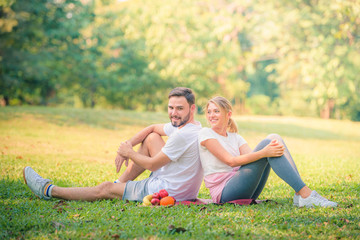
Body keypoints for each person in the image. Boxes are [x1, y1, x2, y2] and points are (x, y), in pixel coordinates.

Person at [23, 87, 203, 202]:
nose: (174, 113)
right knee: (151, 138)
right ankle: (120, 183)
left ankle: (48, 190)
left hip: (169, 190)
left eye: (180, 108)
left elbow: (152, 165)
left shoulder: (183, 135)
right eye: (171, 108)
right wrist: (127, 146)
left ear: (192, 109)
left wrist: (129, 152)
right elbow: (152, 127)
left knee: (104, 189)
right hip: (178, 183)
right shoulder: (192, 126)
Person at [198, 96, 337, 208]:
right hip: (224, 193)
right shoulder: (206, 133)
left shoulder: (236, 137)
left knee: (274, 138)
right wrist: (264, 152)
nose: (211, 115)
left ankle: (299, 194)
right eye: (209, 112)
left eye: (216, 111)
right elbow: (230, 161)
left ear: (228, 114)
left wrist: (265, 152)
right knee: (267, 145)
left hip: (243, 187)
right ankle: (306, 194)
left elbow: (252, 160)